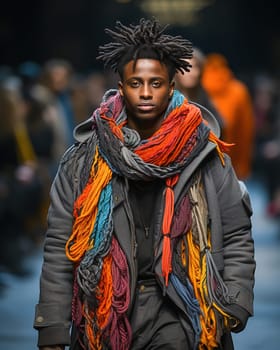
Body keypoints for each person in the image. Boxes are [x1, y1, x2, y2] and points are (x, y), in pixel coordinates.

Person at [34, 18, 255, 350]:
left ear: (171, 87)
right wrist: (51, 323)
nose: (147, 92)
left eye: (156, 83)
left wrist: (235, 302)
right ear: (121, 87)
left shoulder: (204, 152)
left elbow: (237, 232)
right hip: (105, 312)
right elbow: (59, 245)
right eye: (136, 82)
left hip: (185, 310)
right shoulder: (86, 158)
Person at [201, 53, 255, 180]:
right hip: (232, 160)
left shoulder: (198, 89)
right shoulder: (239, 91)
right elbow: (245, 132)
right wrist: (244, 166)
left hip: (202, 162)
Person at [175, 47, 224, 137]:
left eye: (194, 67)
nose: (190, 72)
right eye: (185, 67)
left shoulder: (204, 96)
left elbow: (220, 126)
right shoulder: (169, 98)